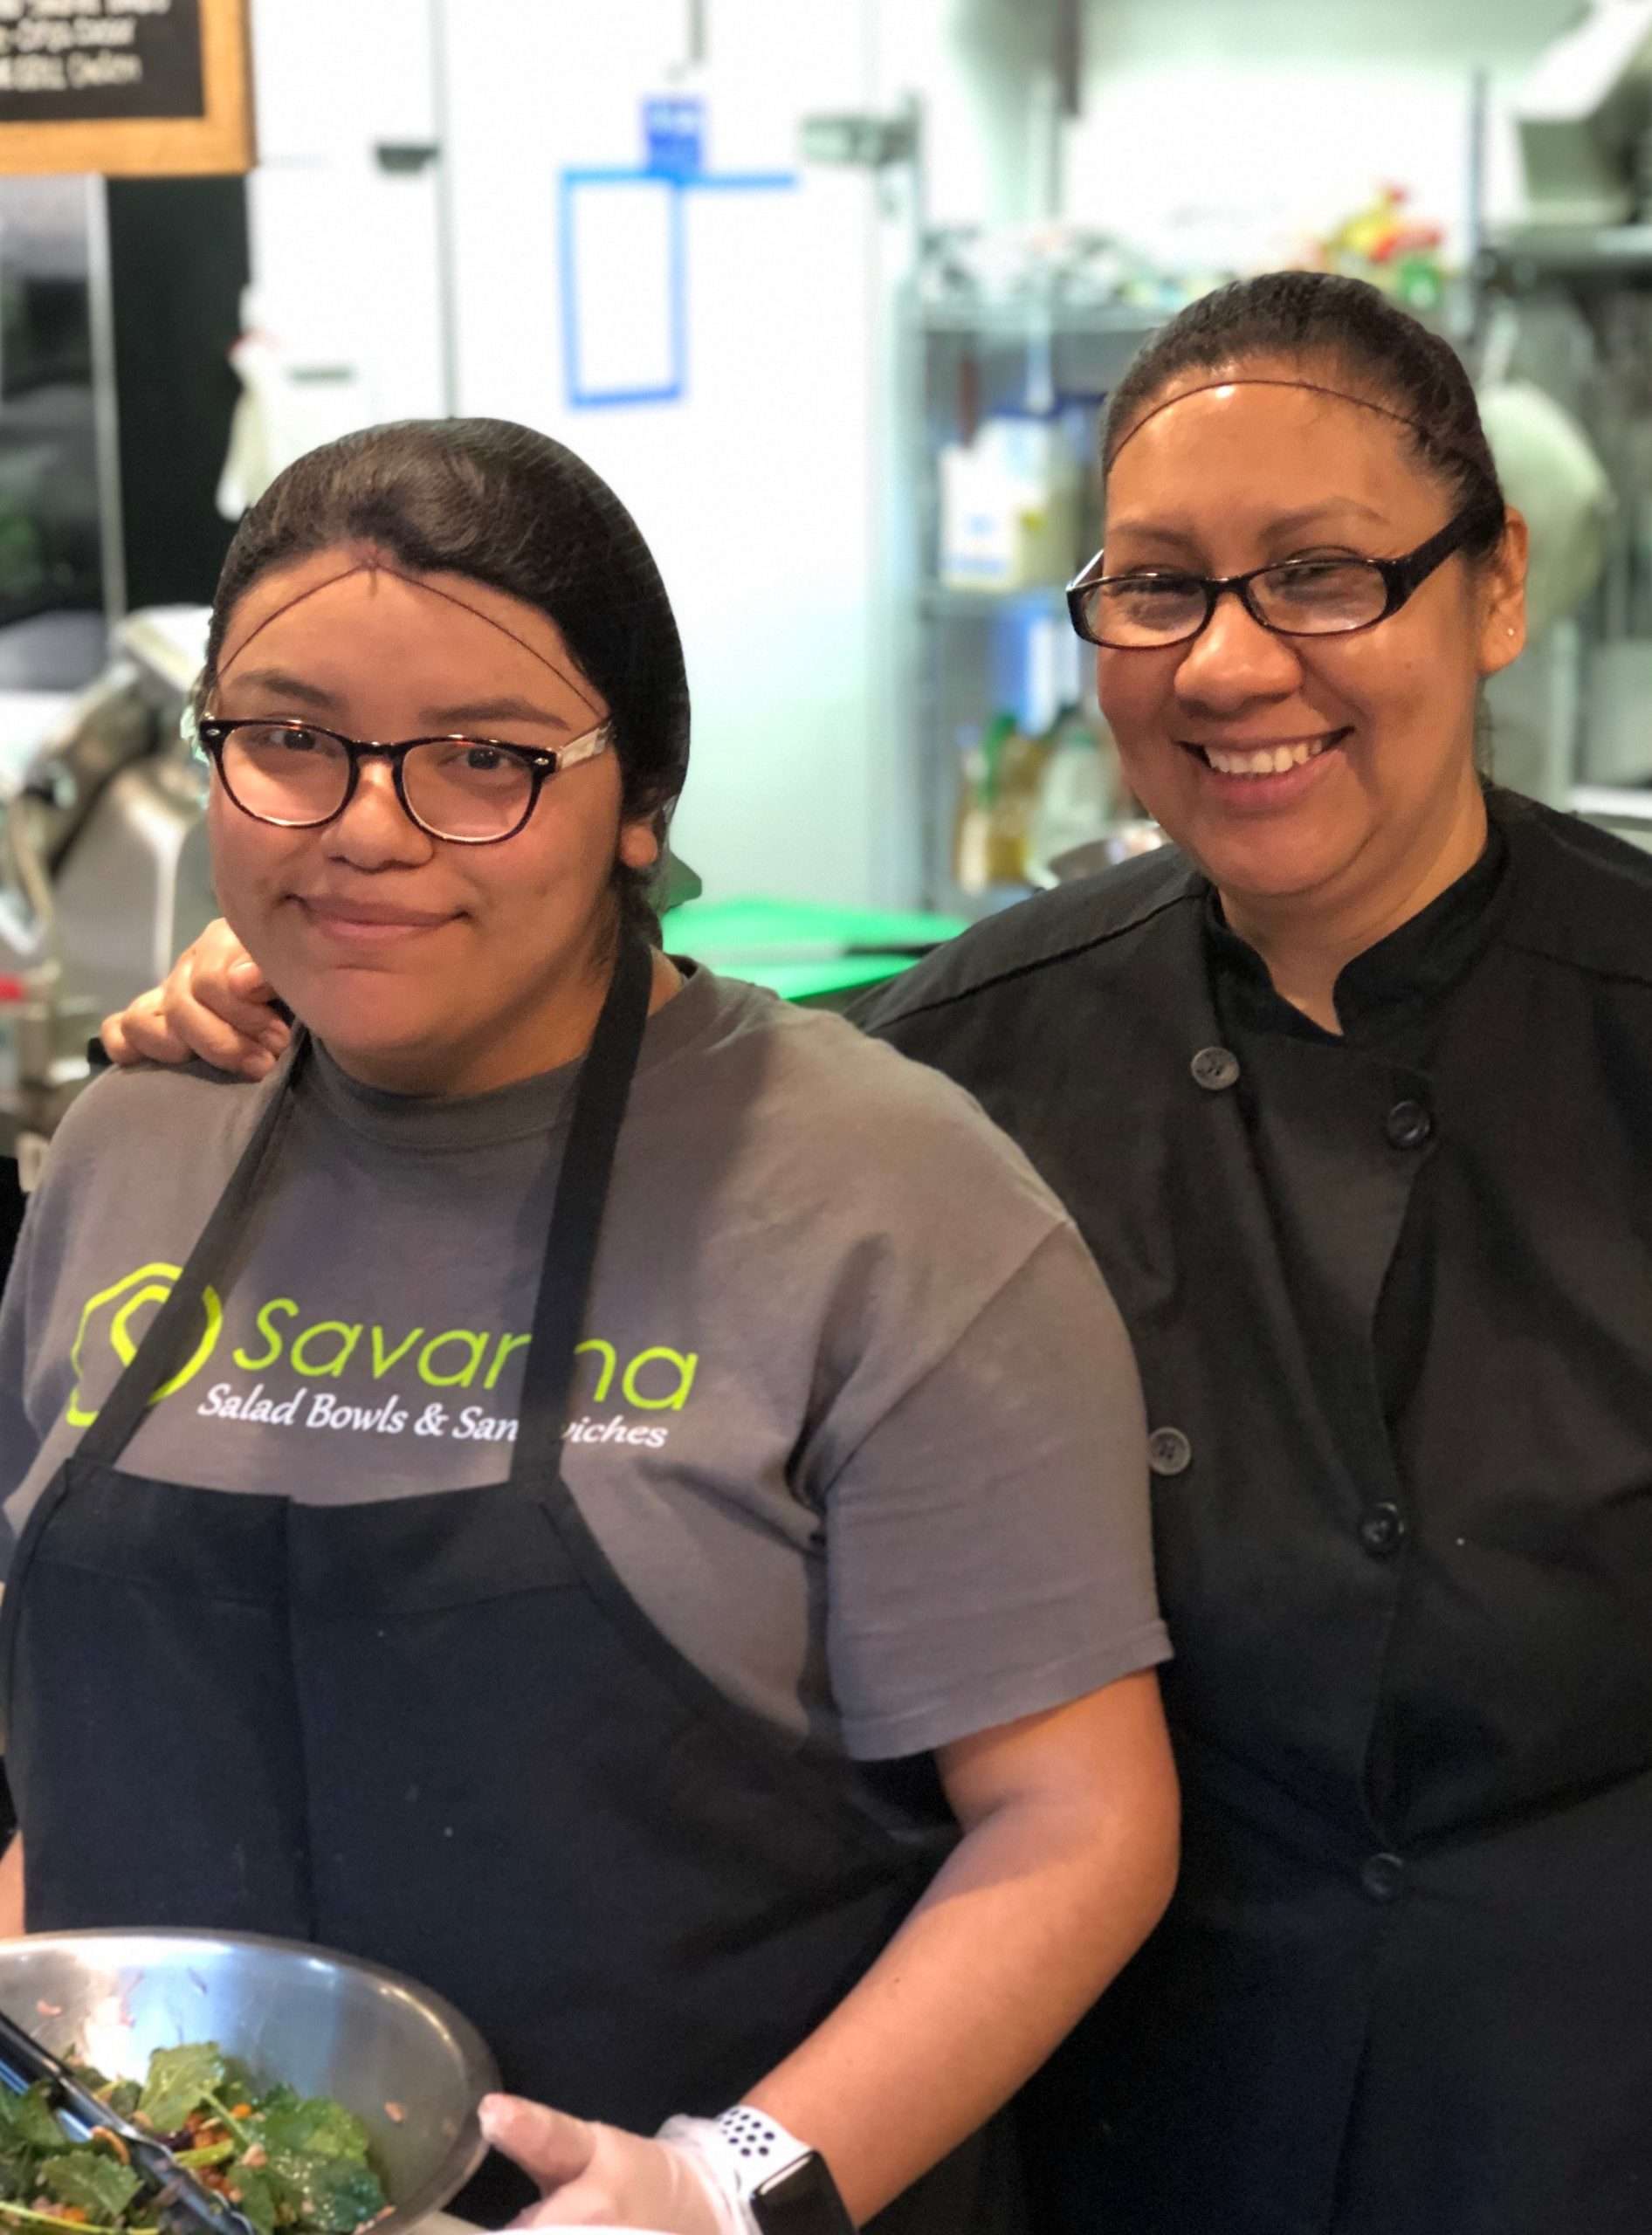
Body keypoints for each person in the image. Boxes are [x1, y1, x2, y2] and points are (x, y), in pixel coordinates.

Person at [124, 274, 1652, 2235]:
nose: (1229, 662)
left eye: (1324, 575)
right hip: (1115, 2129)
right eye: (1158, 585)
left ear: (1495, 586)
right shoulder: (959, 1063)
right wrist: (328, 947)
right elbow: (587, 1017)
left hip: (1589, 2116)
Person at [0, 418, 1180, 2235]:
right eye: (290, 743)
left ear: (640, 800)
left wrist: (728, 2185)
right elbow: (77, 1764)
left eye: (484, 759)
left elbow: (1077, 1824)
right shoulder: (134, 1138)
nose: (368, 828)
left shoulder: (889, 1199)